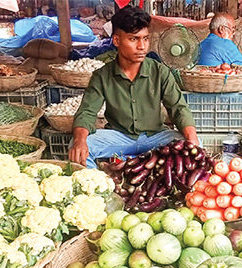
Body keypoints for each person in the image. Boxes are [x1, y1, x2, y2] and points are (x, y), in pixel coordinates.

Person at [69, 6, 199, 168]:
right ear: (116, 40)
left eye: (145, 39)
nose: (142, 46)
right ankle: (100, 188)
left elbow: (179, 108)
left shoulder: (160, 72)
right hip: (119, 137)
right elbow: (87, 113)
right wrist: (80, 141)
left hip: (157, 137)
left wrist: (192, 139)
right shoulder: (102, 76)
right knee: (78, 147)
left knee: (190, 147)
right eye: (133, 39)